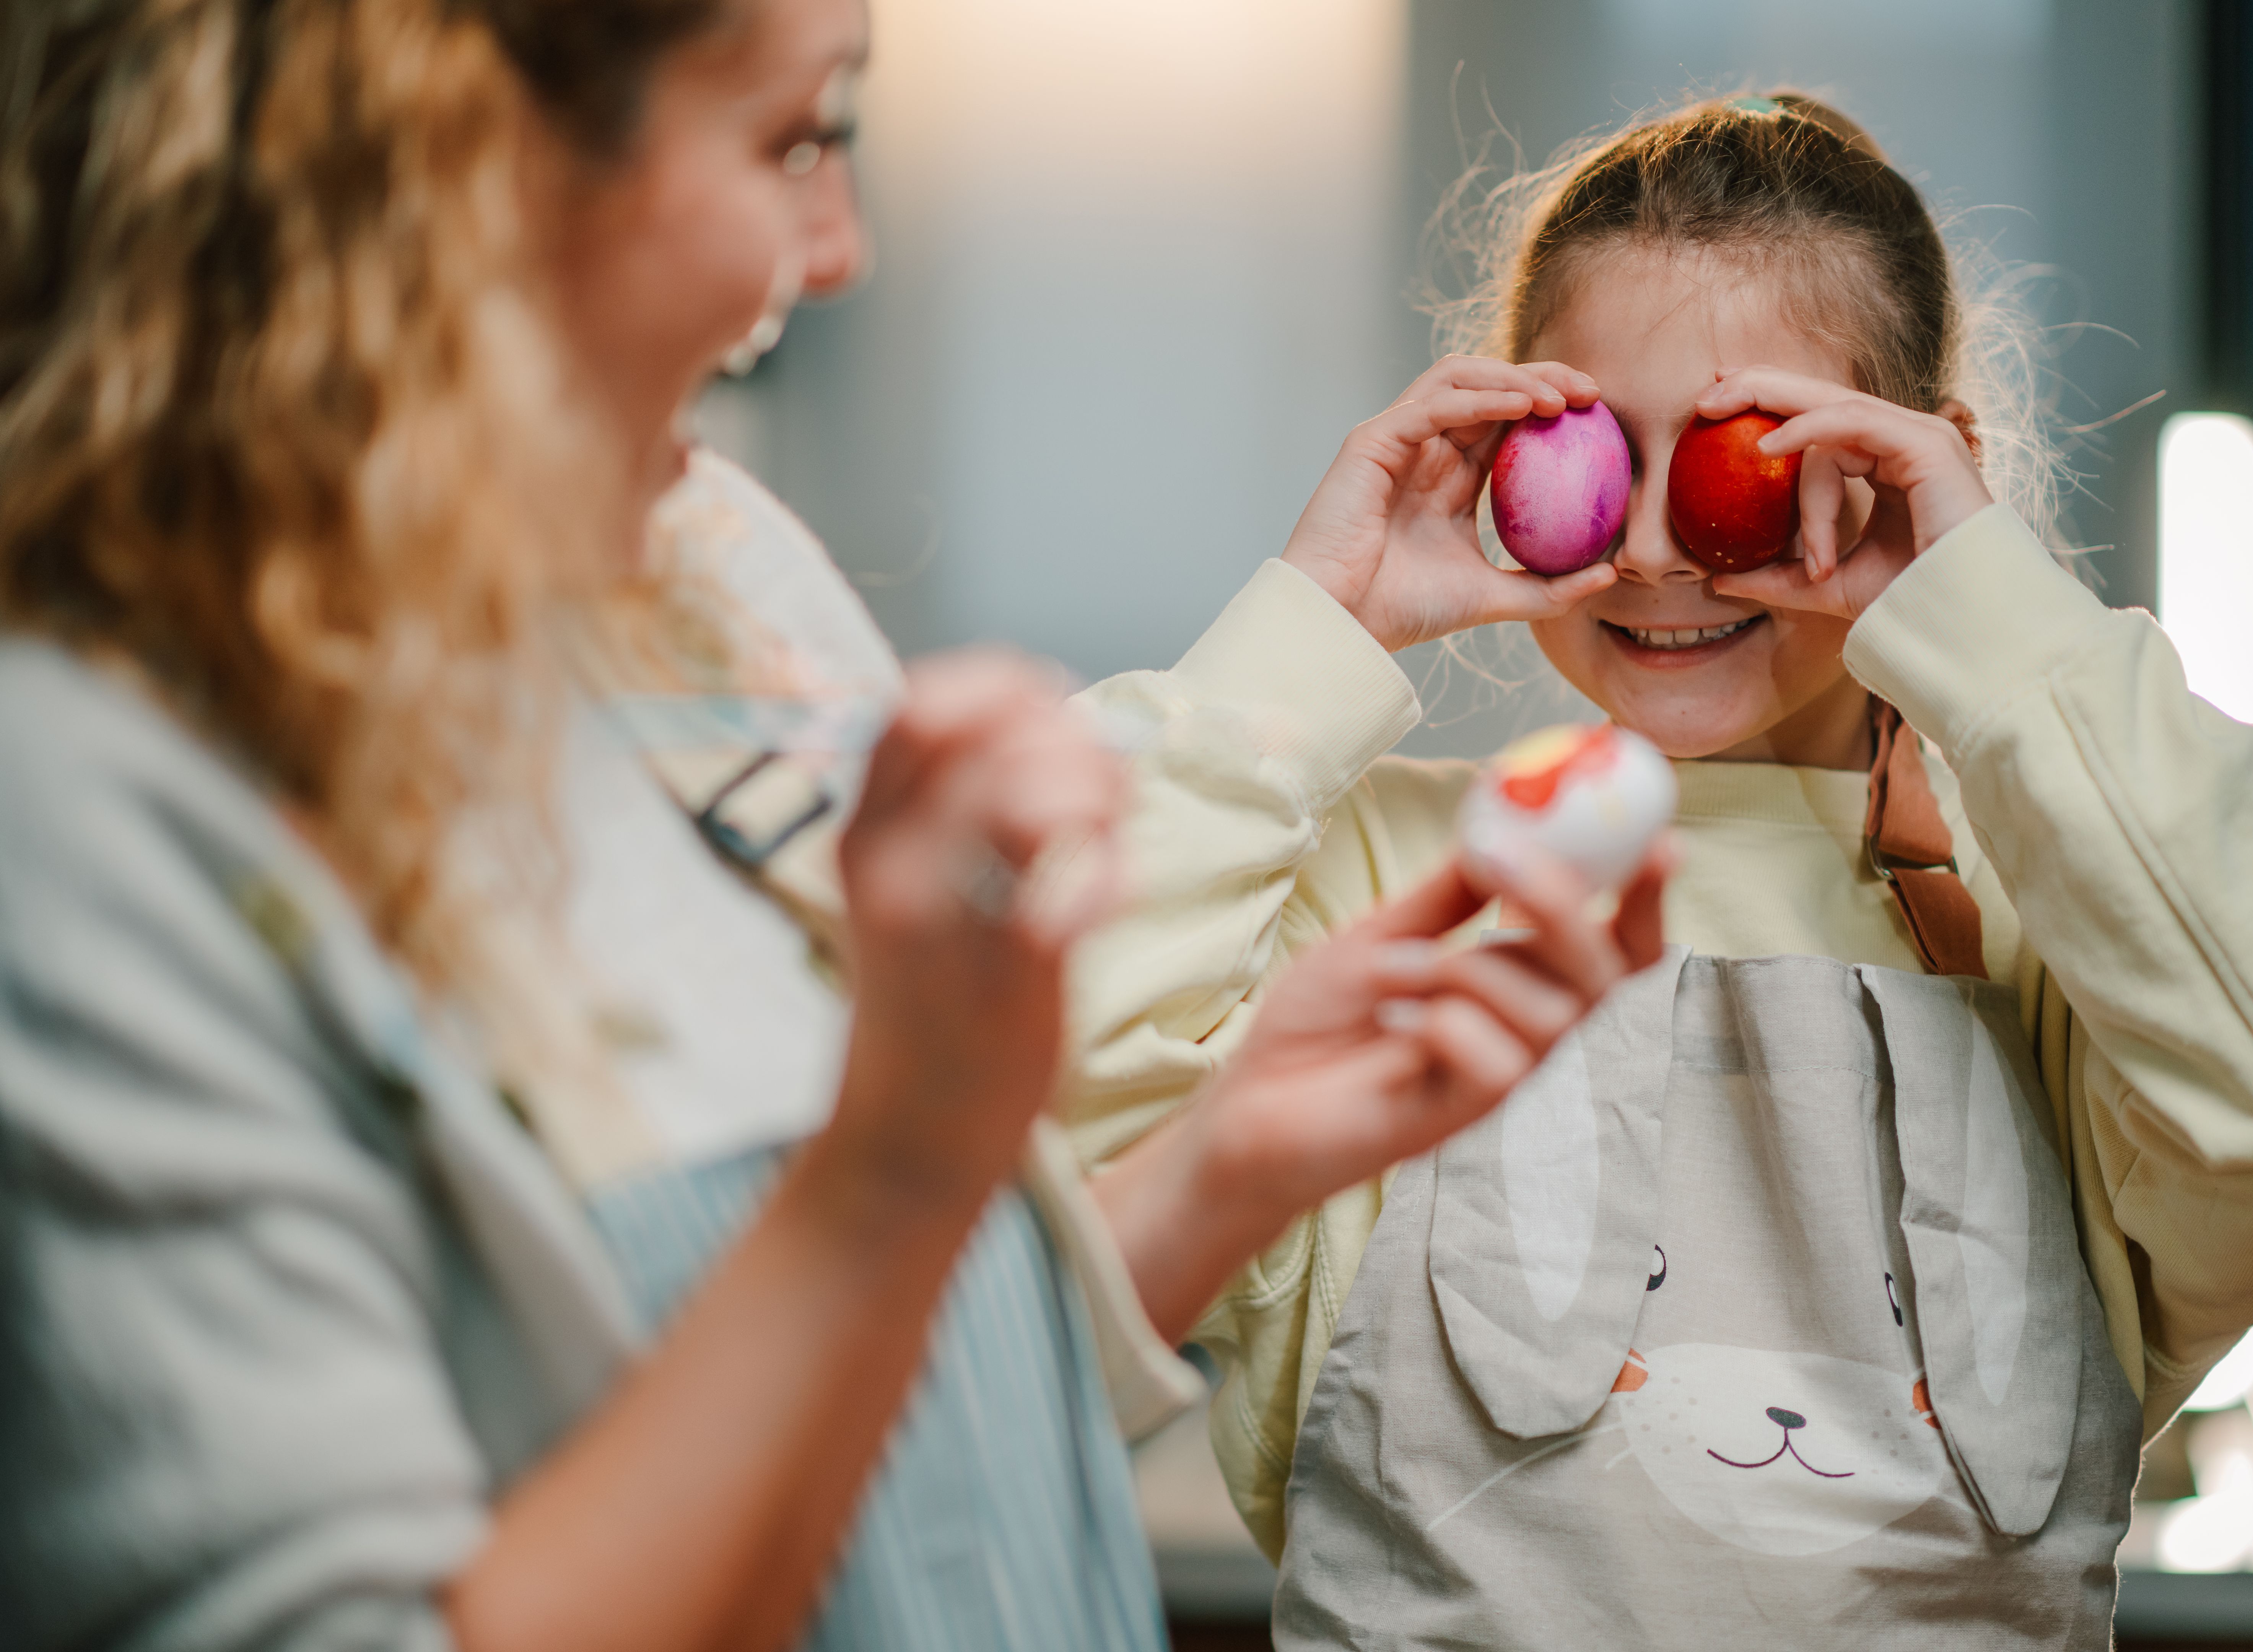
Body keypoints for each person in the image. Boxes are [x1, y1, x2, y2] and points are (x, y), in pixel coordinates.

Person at [0, 5, 1669, 1651]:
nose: (843, 244)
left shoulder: (722, 582)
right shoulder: (86, 813)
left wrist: (1230, 1158)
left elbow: (915, 1443)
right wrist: (900, 1156)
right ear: (450, 161)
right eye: (796, 135)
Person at [1066, 92, 2253, 1647]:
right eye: (1594, 443)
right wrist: (1313, 628)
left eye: (1746, 454)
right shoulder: (1384, 883)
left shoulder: (2071, 917)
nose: (1665, 550)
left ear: (1923, 472)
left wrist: (1986, 619)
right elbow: (1024, 1109)